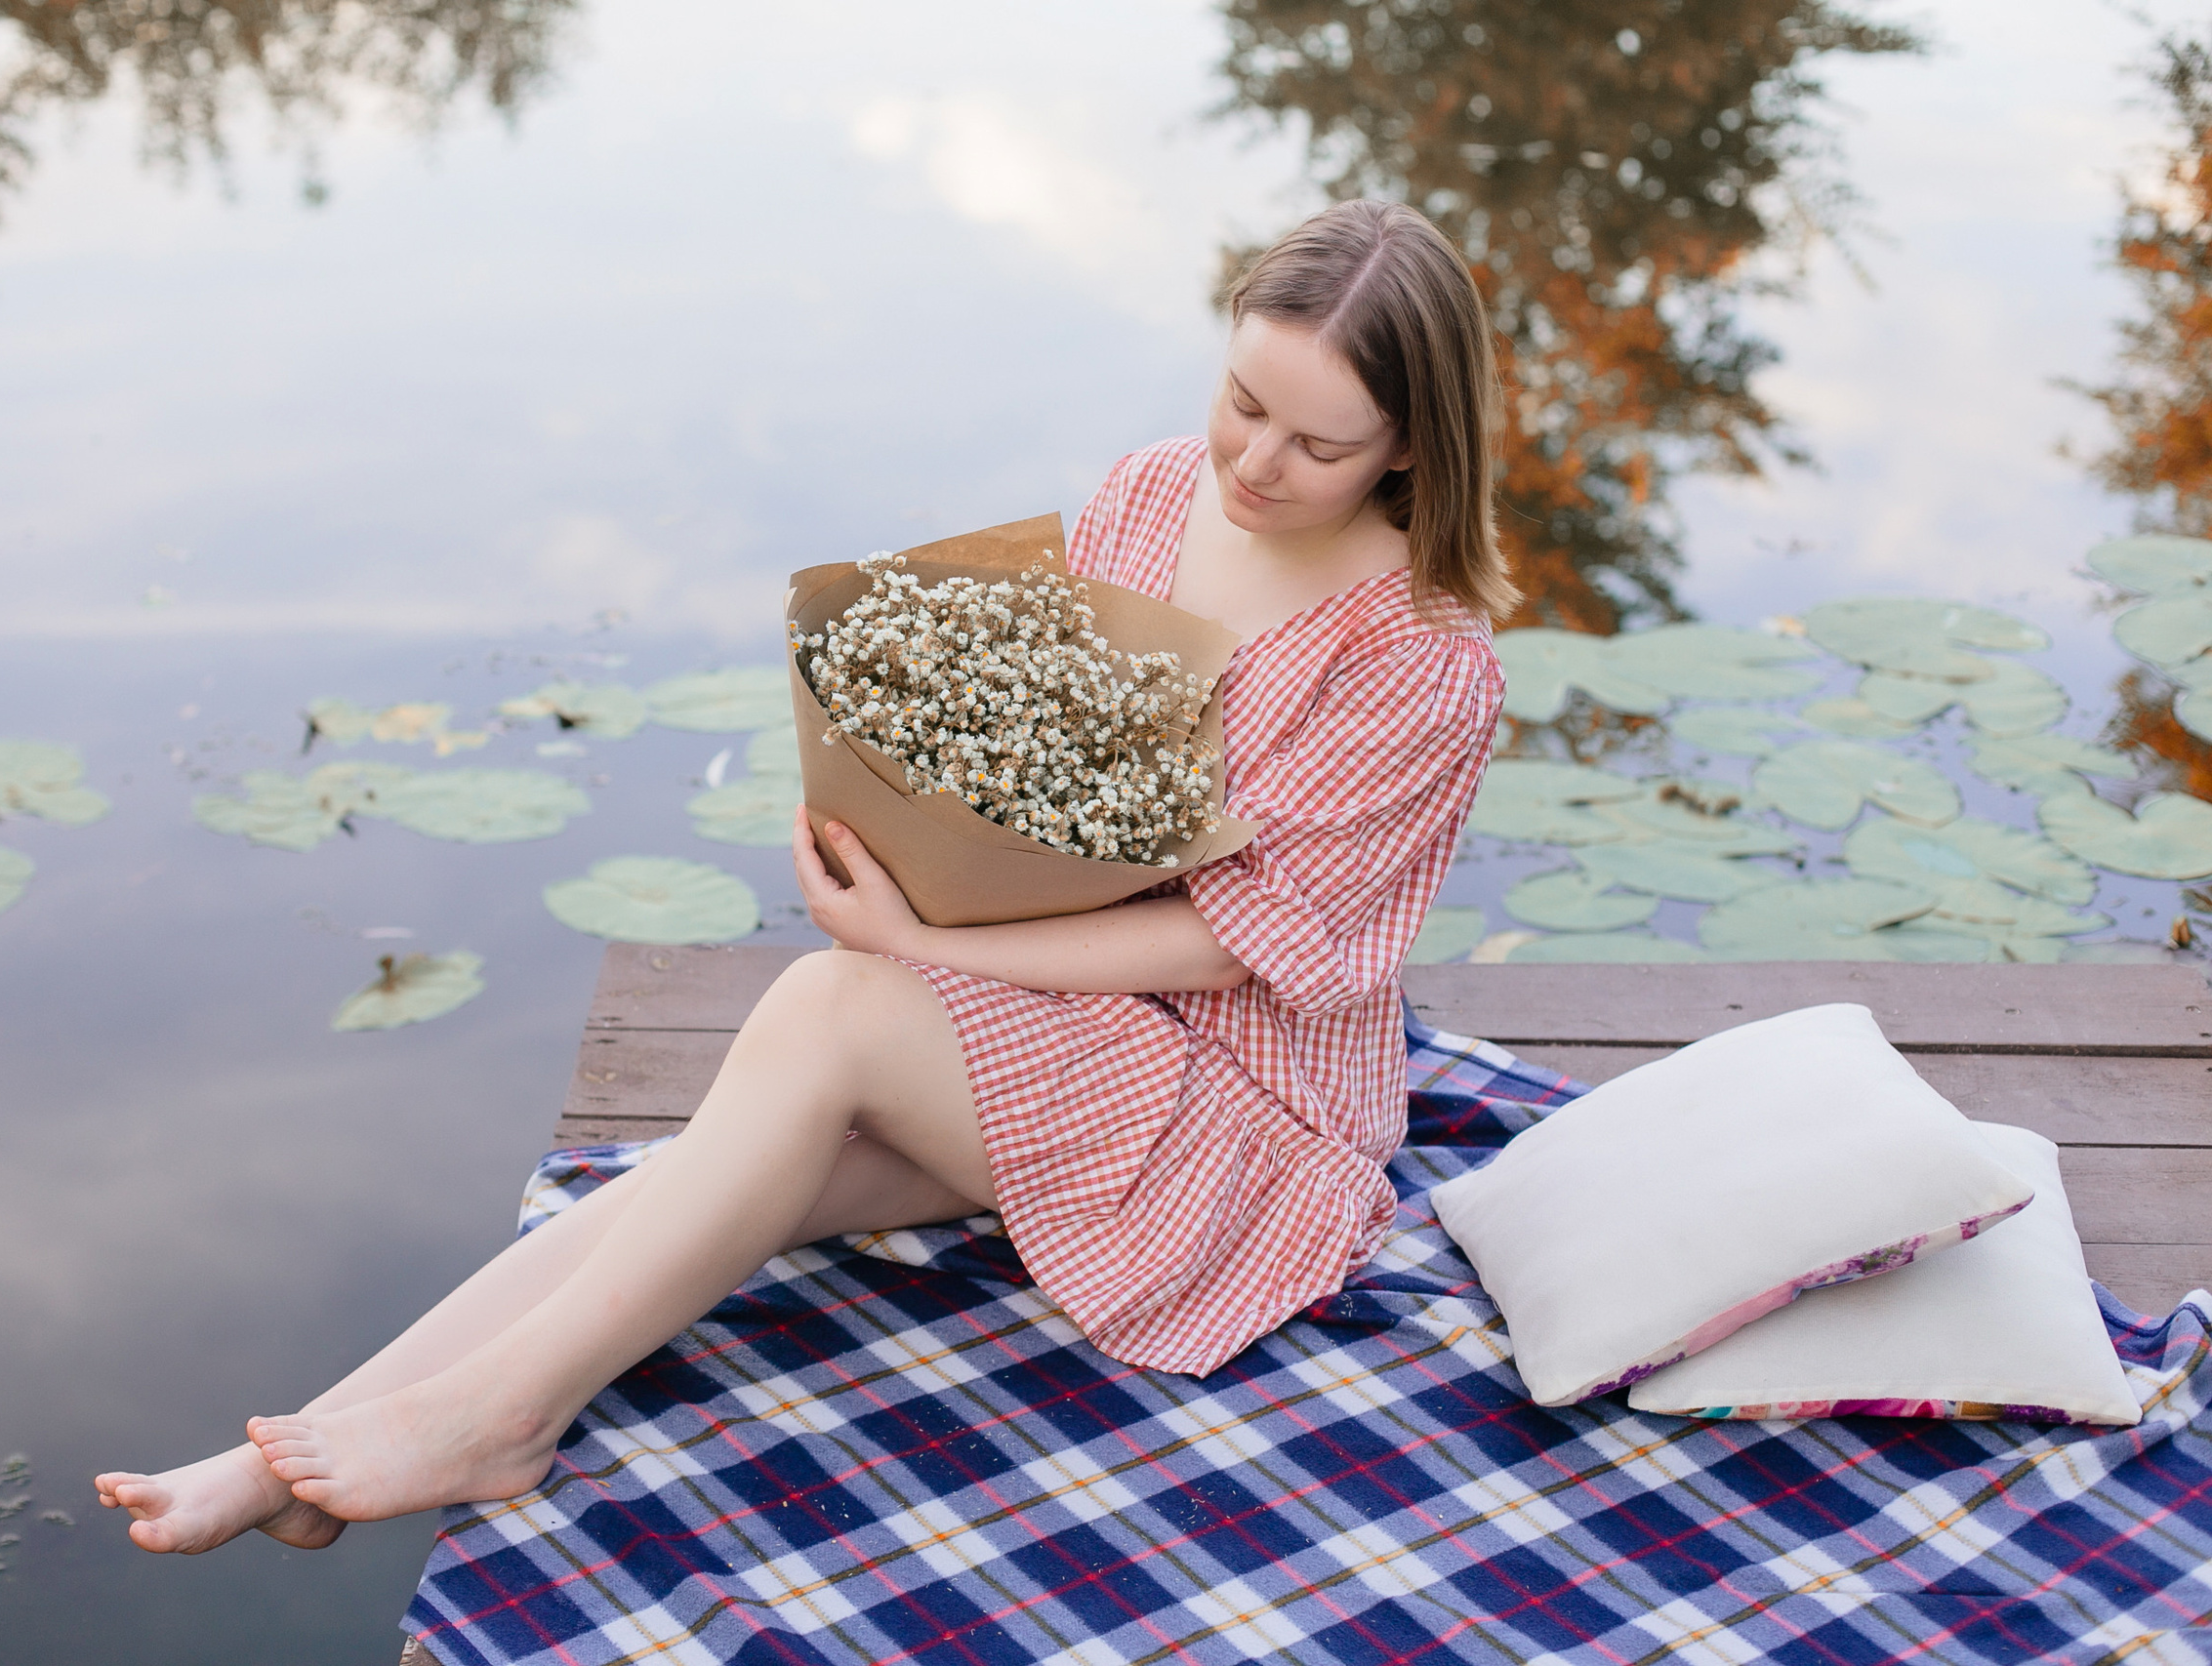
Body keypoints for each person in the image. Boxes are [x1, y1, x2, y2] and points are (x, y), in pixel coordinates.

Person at [95, 198, 1515, 1554]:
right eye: (1243, 402)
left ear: (1405, 447)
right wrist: (899, 813)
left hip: (1237, 1108)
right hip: (1054, 1041)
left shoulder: (1421, 660)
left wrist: (920, 951)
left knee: (831, 1013)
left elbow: (1238, 948)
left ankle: (507, 1415)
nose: (1254, 463)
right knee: (700, 1180)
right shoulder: (1152, 490)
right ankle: (290, 1453)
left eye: (1316, 445)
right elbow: (1050, 778)